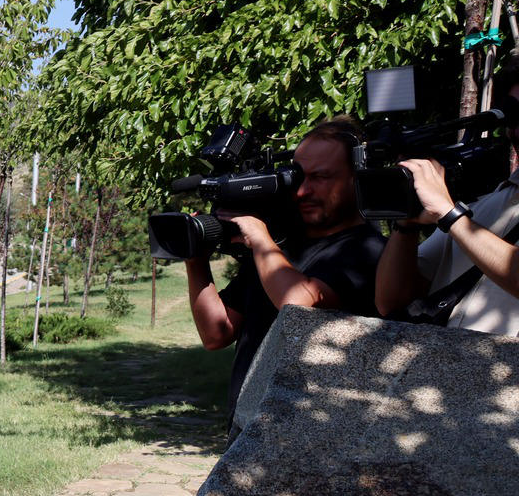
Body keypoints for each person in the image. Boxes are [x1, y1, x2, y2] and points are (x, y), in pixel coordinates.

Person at [183, 118, 388, 412]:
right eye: (300, 177)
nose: (303, 191)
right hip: (248, 430)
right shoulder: (278, 248)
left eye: (321, 177)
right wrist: (195, 257)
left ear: (358, 177)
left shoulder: (369, 250)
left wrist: (259, 239)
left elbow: (298, 304)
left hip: (309, 432)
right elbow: (217, 332)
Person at [373, 68, 519, 335]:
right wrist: (407, 224)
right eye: (514, 116)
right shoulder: (486, 205)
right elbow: (391, 301)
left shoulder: (459, 217)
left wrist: (448, 213)